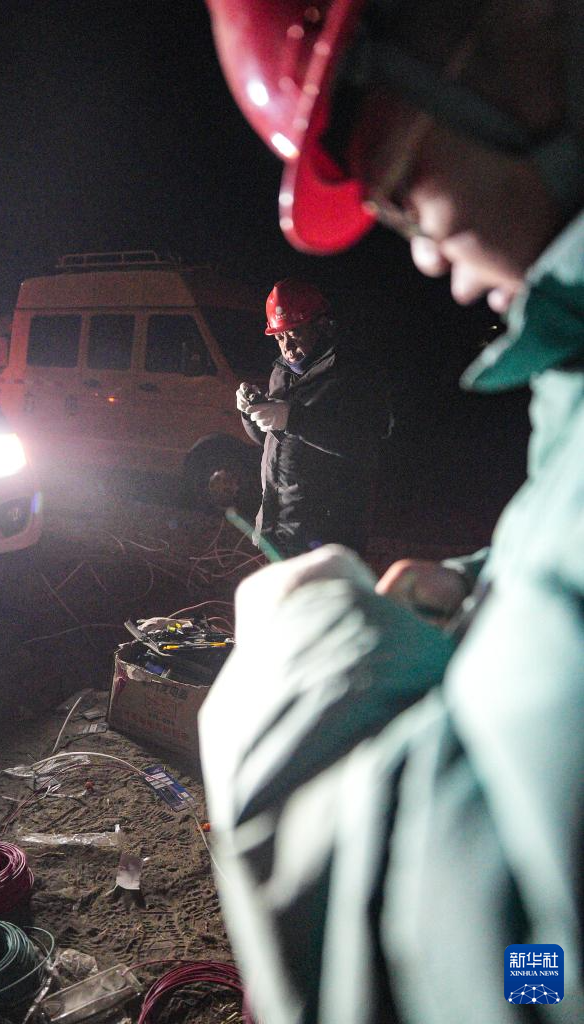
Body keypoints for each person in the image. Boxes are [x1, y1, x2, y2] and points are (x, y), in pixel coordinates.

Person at [198, 1, 584, 1022]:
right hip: (289, 516)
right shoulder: (572, 392)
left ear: (520, 33)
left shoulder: (350, 376)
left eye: (398, 173)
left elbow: (526, 964)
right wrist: (483, 581)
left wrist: (302, 664)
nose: (418, 249)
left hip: (329, 523)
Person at [237, 277, 378, 557]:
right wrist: (250, 412)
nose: (287, 347)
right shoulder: (281, 373)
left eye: (294, 334)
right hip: (279, 529)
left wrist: (293, 419)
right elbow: (270, 440)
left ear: (321, 325)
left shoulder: (351, 373)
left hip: (326, 537)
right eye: (279, 337)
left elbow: (361, 442)